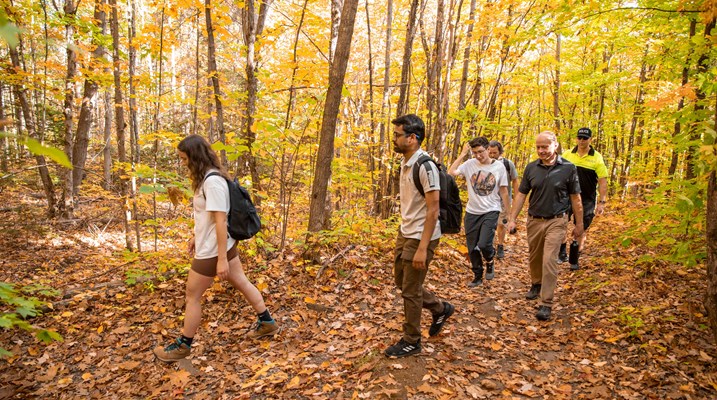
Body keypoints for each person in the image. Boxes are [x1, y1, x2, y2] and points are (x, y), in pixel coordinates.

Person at [153, 134, 279, 362]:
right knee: (240, 281)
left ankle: (183, 345)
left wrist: (220, 259)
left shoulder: (212, 182)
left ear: (195, 157)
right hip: (219, 245)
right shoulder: (208, 179)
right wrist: (195, 235)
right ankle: (267, 322)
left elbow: (221, 221)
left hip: (213, 250)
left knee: (192, 296)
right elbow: (209, 217)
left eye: (184, 159)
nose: (183, 164)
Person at [384, 114, 455, 358]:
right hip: (406, 231)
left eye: (397, 135)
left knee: (411, 290)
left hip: (421, 235)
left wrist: (423, 248)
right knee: (402, 283)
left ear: (412, 138)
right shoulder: (406, 163)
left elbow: (433, 209)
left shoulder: (425, 166)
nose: (393, 139)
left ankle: (411, 341)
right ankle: (441, 308)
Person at [507, 131, 583, 321]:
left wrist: (579, 224)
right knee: (535, 257)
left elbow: (575, 197)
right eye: (538, 147)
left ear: (555, 145)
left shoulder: (568, 168)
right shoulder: (531, 168)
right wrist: (512, 218)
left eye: (544, 146)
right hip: (534, 220)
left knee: (549, 259)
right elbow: (522, 194)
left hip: (557, 220)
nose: (540, 150)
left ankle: (545, 303)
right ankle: (536, 283)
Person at [448, 137, 511, 287]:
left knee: (483, 244)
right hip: (472, 212)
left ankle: (490, 260)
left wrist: (508, 213)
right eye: (475, 152)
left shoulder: (499, 167)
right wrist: (463, 154)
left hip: (491, 210)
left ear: (488, 149)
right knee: (472, 247)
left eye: (481, 152)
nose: (478, 155)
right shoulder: (470, 164)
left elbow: (503, 191)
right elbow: (451, 172)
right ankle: (477, 275)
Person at [557, 127, 608, 270]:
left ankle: (575, 258)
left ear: (590, 139)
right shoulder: (567, 154)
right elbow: (557, 173)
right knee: (561, 223)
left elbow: (603, 181)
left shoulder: (597, 157)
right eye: (579, 137)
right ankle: (561, 252)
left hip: (587, 199)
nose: (581, 141)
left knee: (581, 228)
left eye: (585, 138)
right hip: (566, 197)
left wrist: (602, 202)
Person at [487, 140, 520, 260]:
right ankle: (489, 246)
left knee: (501, 224)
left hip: (503, 199)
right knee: (490, 224)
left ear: (500, 152)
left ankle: (500, 245)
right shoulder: (484, 163)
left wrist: (517, 196)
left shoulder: (507, 164)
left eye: (494, 152)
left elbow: (515, 180)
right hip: (488, 199)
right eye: (489, 152)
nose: (491, 155)